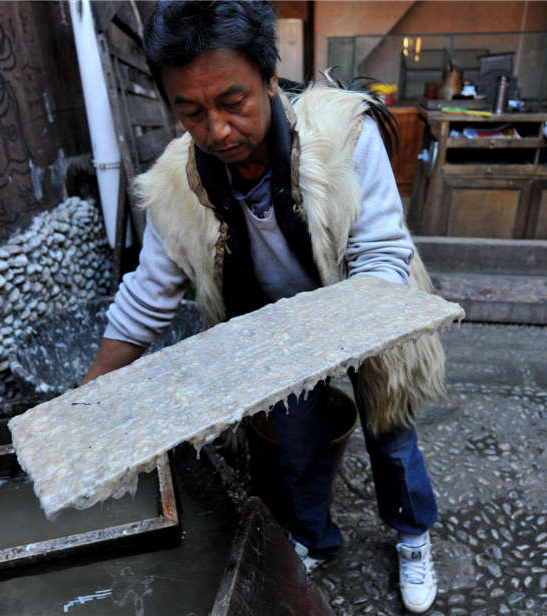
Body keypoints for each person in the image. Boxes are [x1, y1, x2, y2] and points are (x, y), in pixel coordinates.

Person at [81, 2, 445, 613]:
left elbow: (383, 254)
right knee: (295, 444)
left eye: (233, 102)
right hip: (275, 333)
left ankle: (412, 535)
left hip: (370, 304)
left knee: (391, 429)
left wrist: (340, 331)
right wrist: (88, 395)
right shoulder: (176, 183)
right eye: (191, 112)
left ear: (271, 77)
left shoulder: (344, 135)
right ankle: (313, 539)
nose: (217, 130)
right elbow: (148, 293)